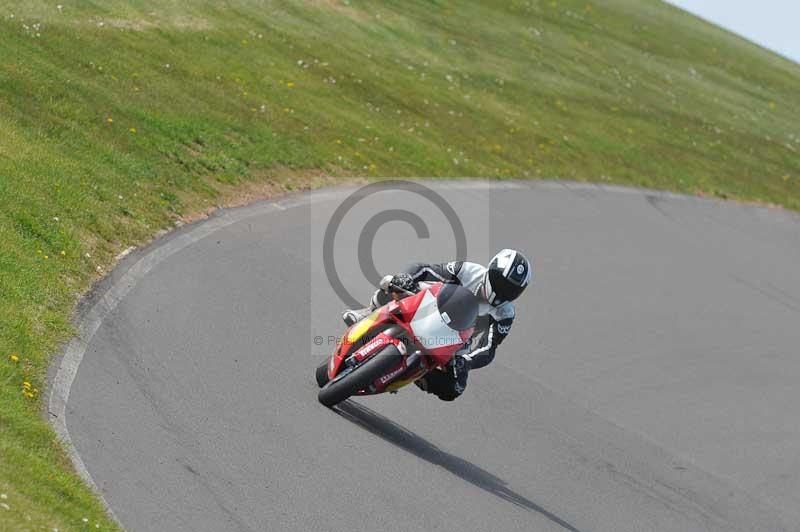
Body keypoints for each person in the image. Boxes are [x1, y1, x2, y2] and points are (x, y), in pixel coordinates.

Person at [342, 249, 532, 401]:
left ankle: (418, 374)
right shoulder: (468, 271)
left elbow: (489, 348)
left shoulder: (505, 314)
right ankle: (369, 312)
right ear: (491, 271)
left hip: (457, 340)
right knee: (397, 284)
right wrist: (406, 277)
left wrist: (467, 361)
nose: (503, 291)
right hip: (433, 308)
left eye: (511, 290)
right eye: (501, 283)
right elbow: (425, 269)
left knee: (455, 388)